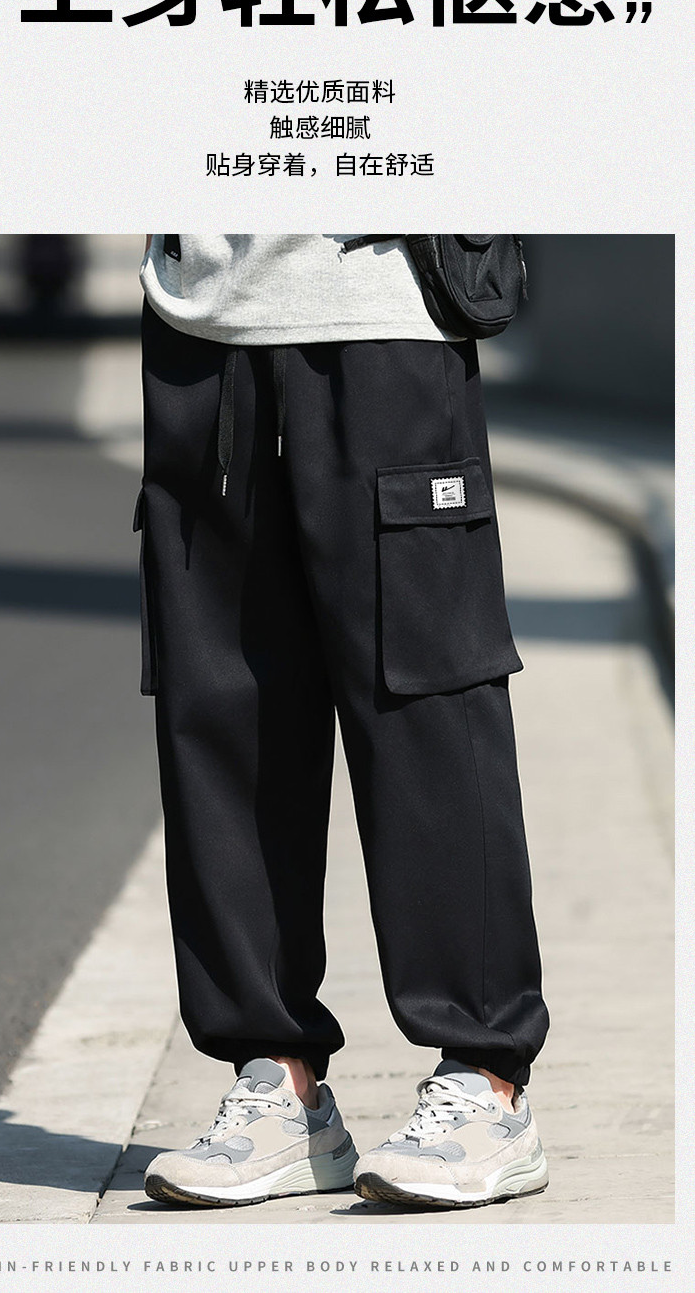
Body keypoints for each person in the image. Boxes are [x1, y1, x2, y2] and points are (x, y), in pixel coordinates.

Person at [135, 234, 550, 1209]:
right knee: (224, 710)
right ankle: (279, 1086)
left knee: (425, 701)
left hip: (382, 306)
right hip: (201, 319)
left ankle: (487, 1081)